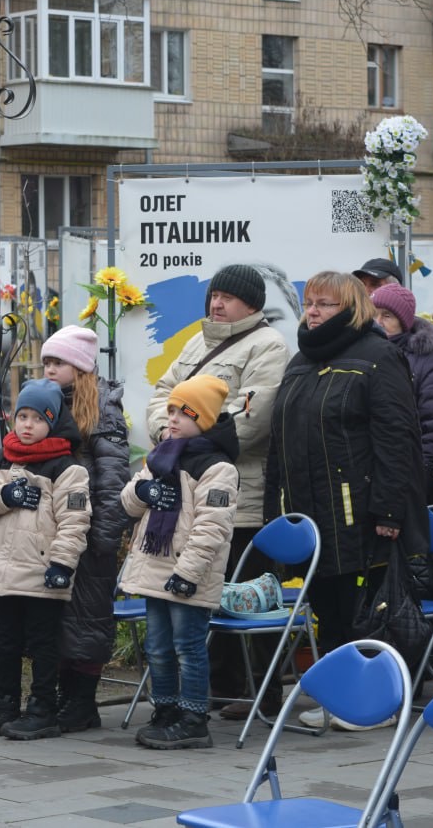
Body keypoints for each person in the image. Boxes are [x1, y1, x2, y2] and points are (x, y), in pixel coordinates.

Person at [264, 271, 427, 730]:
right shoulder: (301, 360)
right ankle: (339, 699)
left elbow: (398, 438)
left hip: (361, 513)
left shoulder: (378, 356)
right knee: (328, 611)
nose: (312, 311)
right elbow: (281, 441)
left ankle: (372, 703)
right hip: (311, 514)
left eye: (325, 304)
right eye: (309, 302)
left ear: (352, 308)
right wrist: (276, 512)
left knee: (364, 614)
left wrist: (390, 509)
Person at [144, 264, 288, 716]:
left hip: (239, 498)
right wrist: (164, 429)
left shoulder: (269, 346)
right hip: (187, 493)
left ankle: (261, 692)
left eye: (227, 296)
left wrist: (181, 436)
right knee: (208, 595)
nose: (216, 303)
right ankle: (222, 688)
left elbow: (252, 419)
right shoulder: (195, 341)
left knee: (248, 597)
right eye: (214, 294)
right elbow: (162, 394)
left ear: (252, 304)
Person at [0, 379, 91, 741]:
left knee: (42, 643)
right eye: (21, 415)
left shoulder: (67, 468)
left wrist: (62, 565)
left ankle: (42, 709)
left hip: (42, 572)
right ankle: (5, 706)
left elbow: (75, 521)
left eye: (37, 418)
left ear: (51, 422)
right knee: (5, 639)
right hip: (4, 571)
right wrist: (6, 494)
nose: (26, 425)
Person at [121, 375, 238, 750]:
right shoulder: (159, 456)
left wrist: (187, 573)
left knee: (188, 645)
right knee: (157, 646)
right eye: (170, 410)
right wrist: (142, 490)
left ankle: (193, 718)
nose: (172, 419)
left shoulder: (218, 467)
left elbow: (211, 529)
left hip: (189, 573)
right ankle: (165, 711)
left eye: (183, 413)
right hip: (155, 567)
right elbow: (128, 503)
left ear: (203, 418)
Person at [39, 325, 129, 732]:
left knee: (89, 618)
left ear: (78, 367)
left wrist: (106, 537)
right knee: (58, 617)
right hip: (58, 533)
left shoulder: (103, 410)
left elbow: (112, 477)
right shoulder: (48, 405)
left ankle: (82, 701)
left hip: (92, 536)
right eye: (46, 363)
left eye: (56, 363)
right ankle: (62, 694)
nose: (48, 370)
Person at [371, 284, 433, 498]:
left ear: (403, 322)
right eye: (373, 315)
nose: (378, 322)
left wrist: (422, 471)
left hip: (410, 473)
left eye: (387, 316)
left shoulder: (425, 361)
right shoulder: (364, 355)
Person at [354, 256, 433, 398]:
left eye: (374, 284)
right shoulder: (350, 336)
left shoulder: (431, 341)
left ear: (396, 289)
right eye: (361, 285)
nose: (366, 291)